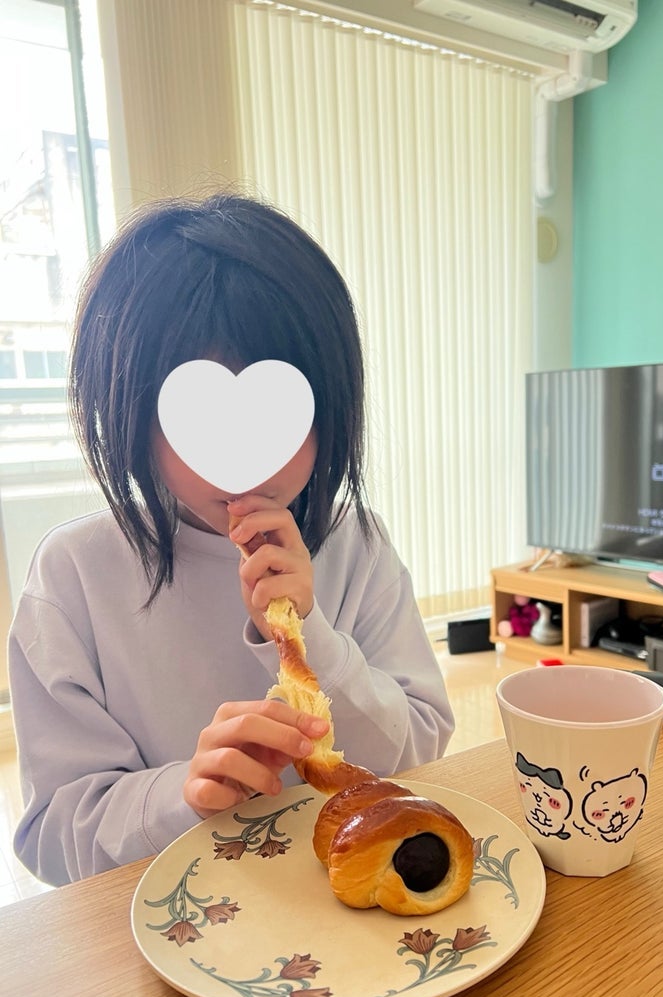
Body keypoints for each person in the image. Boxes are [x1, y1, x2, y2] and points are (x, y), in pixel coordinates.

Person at [9, 193, 454, 886]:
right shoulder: (75, 576)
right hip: (168, 914)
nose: (245, 458)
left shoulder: (355, 542)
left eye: (279, 413)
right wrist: (181, 793)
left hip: (337, 898)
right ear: (132, 414)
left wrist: (312, 635)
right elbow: (52, 834)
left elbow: (420, 748)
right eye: (199, 419)